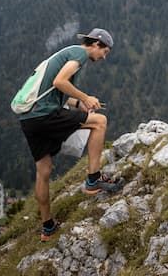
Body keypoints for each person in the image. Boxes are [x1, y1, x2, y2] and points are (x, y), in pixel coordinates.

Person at [17, 27, 121, 242]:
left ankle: (48, 227)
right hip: (45, 114)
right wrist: (85, 96)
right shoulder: (79, 53)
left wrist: (80, 102)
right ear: (96, 44)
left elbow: (57, 94)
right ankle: (94, 179)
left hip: (29, 119)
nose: (103, 57)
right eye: (105, 52)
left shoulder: (63, 54)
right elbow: (60, 82)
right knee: (100, 122)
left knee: (43, 170)